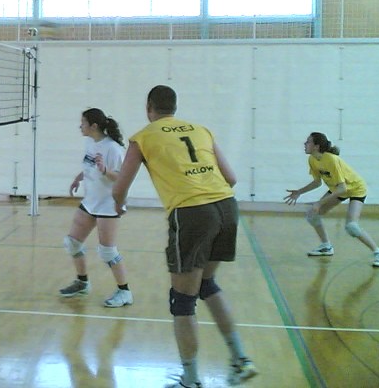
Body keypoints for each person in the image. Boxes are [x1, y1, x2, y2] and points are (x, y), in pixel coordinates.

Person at [111, 86, 256, 388]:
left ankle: (190, 381)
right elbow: (231, 178)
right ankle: (241, 359)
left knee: (183, 301)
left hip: (192, 213)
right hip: (227, 207)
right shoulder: (201, 130)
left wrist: (119, 205)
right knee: (206, 284)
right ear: (174, 108)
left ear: (149, 107)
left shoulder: (143, 137)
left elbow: (120, 186)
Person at [59, 108, 132, 308]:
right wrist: (78, 178)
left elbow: (122, 178)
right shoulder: (90, 142)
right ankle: (82, 282)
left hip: (108, 205)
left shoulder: (113, 149)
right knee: (72, 243)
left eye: (83, 122)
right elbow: (89, 167)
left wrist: (105, 170)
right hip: (90, 202)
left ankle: (125, 292)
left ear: (94, 126)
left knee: (107, 251)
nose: (80, 126)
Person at [284, 132, 379, 268]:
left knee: (352, 227)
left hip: (356, 188)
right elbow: (317, 182)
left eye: (308, 142)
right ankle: (326, 246)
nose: (305, 144)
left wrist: (319, 203)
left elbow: (342, 188)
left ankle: (378, 252)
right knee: (312, 215)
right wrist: (299, 192)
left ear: (316, 146)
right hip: (338, 188)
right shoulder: (312, 160)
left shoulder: (331, 159)